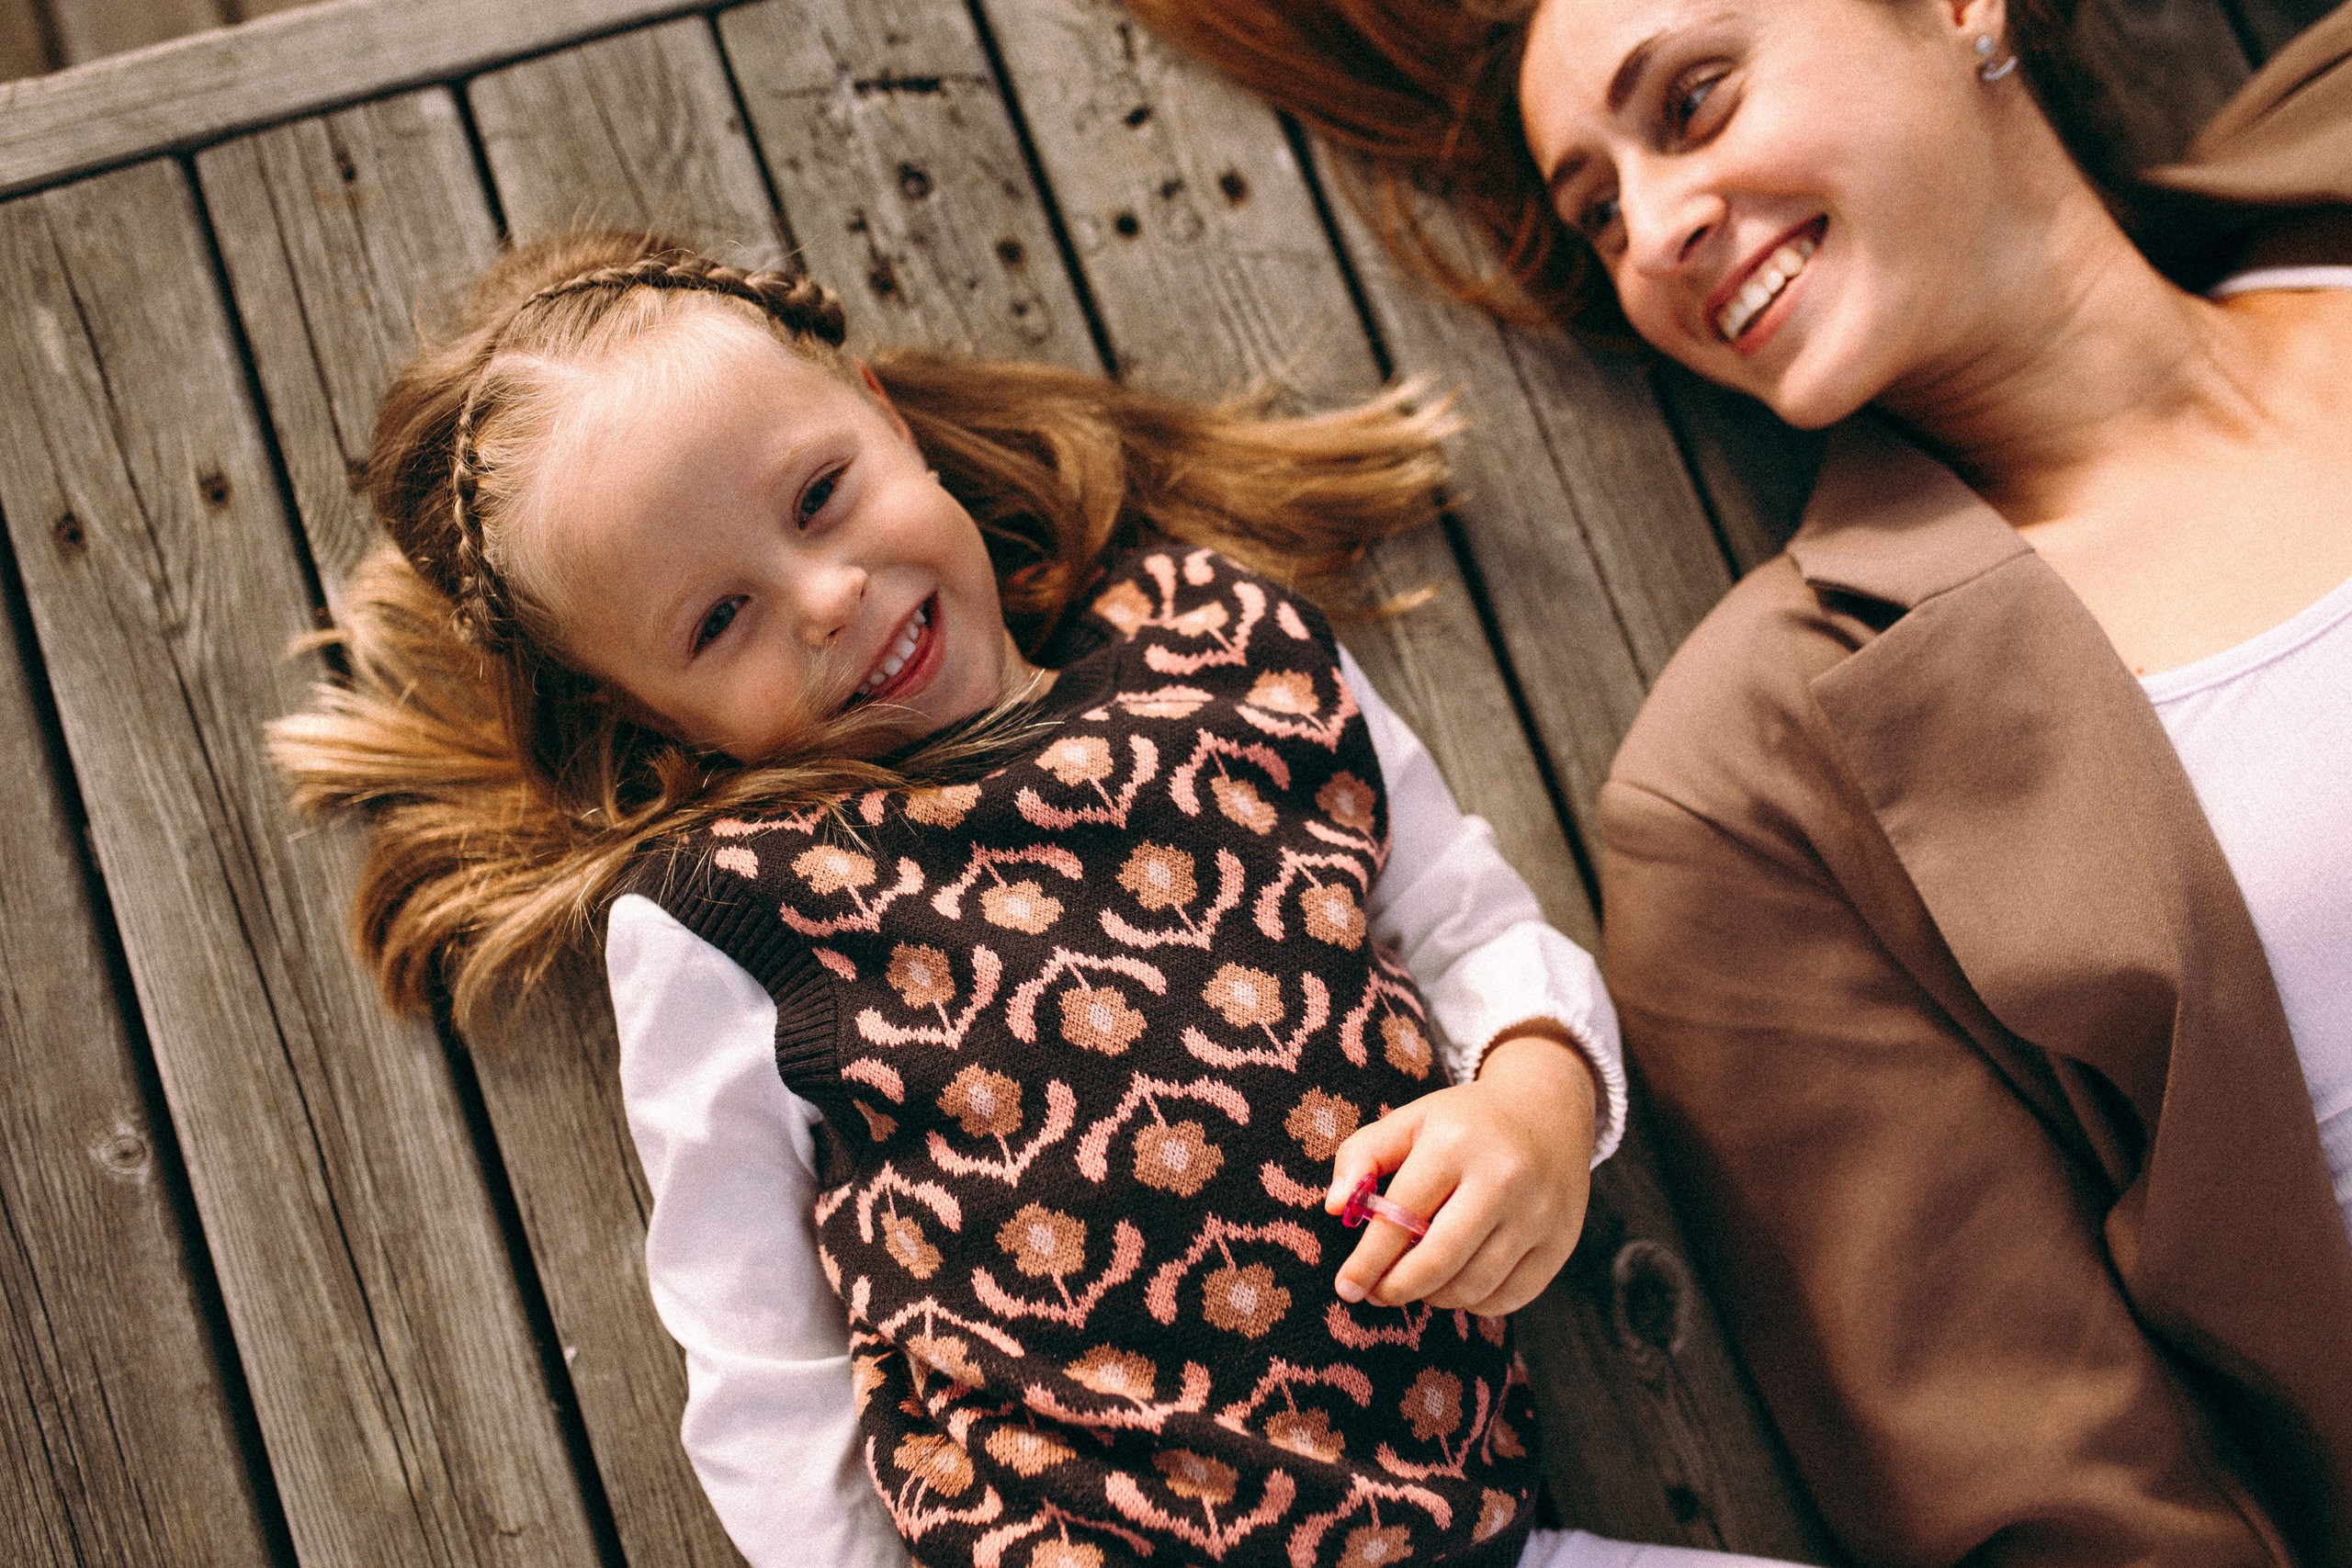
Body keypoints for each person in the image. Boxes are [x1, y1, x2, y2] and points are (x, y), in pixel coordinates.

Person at [270, 230, 1811, 1568]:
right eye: (719, 618)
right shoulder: (738, 915)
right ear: (654, 716)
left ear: (883, 419)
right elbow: (763, 1370)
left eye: (820, 494)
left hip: (1466, 1539)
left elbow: (1469, 928)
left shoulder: (1227, 650)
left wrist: (1536, 1104)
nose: (824, 599)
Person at [1127, 0, 2352, 1562]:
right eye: (1597, 211)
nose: (1652, 227)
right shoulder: (1754, 789)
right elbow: (2059, 1509)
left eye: (1693, 103)